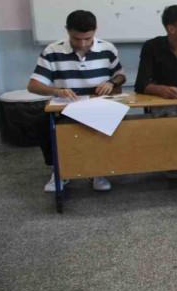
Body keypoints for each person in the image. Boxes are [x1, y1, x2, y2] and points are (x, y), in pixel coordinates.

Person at [28, 10, 126, 192]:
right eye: (76, 38)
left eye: (87, 38)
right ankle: (60, 171)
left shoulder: (107, 49)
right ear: (67, 30)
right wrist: (57, 91)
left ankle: (98, 170)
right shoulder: (52, 51)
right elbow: (33, 86)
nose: (82, 44)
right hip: (66, 107)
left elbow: (120, 76)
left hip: (98, 105)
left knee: (121, 123)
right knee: (42, 123)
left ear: (95, 30)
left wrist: (111, 82)